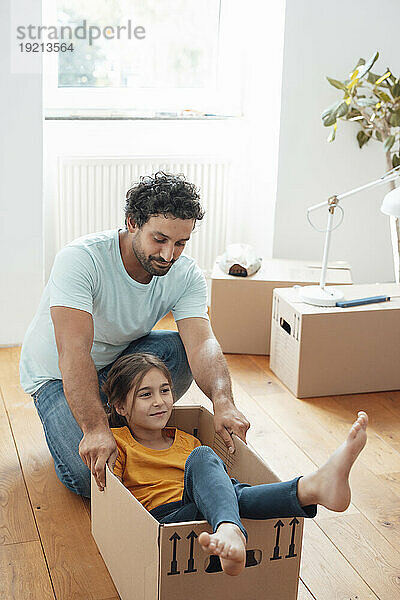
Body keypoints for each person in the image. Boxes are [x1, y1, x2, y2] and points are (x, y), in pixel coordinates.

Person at [19, 172, 250, 499]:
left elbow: (202, 343)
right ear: (132, 223)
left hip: (119, 363)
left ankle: (115, 416)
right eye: (160, 239)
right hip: (58, 374)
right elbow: (73, 351)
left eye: (180, 243)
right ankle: (101, 420)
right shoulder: (82, 259)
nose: (169, 255)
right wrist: (95, 429)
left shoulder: (185, 274)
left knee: (180, 350)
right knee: (90, 479)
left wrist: (223, 401)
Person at [103, 352, 369, 577]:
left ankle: (232, 526)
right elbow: (115, 501)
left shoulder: (188, 442)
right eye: (145, 395)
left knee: (211, 467)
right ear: (121, 407)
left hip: (204, 509)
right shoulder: (118, 443)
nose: (160, 401)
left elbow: (215, 488)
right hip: (162, 521)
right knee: (225, 484)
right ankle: (306, 490)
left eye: (164, 390)